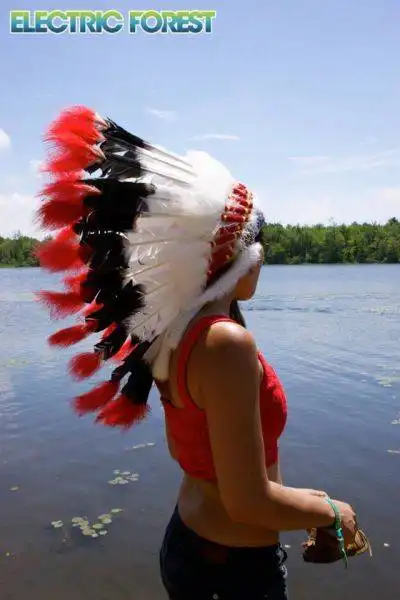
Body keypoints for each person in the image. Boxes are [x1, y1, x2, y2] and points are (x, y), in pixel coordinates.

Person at [35, 106, 357, 600]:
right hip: (233, 572)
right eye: (260, 245)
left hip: (194, 545)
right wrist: (335, 512)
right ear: (241, 259)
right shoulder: (226, 343)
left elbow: (211, 465)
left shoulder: (176, 332)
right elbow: (247, 503)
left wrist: (307, 501)